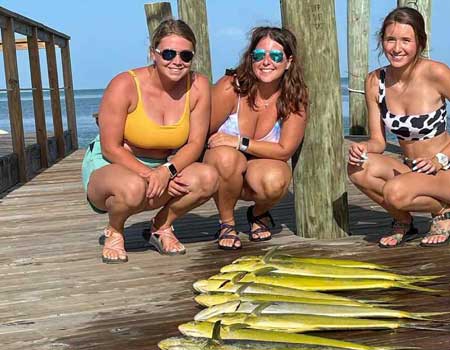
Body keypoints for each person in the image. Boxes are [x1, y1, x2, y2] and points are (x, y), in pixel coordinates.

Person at [81, 19, 218, 263]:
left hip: (164, 165)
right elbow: (111, 147)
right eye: (168, 53)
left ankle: (161, 225)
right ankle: (115, 229)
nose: (177, 61)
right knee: (133, 188)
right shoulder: (124, 84)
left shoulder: (199, 86)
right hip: (112, 163)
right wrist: (150, 174)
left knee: (207, 178)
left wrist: (167, 171)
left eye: (185, 55)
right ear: (152, 53)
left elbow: (195, 144)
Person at [348, 7, 450, 248]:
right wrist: (362, 147)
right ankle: (403, 220)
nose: (396, 48)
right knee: (358, 168)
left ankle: (442, 213)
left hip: (444, 170)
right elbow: (378, 142)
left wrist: (440, 159)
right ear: (381, 41)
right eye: (390, 39)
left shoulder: (436, 72)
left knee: (395, 192)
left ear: (420, 42)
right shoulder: (375, 81)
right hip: (411, 170)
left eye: (406, 40)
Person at [204, 26, 308, 250]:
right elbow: (201, 134)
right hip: (222, 166)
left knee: (275, 181)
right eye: (259, 55)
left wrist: (239, 141)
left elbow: (284, 150)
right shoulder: (230, 88)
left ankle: (258, 213)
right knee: (228, 159)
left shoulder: (293, 98)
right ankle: (227, 222)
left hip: (260, 164)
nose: (266, 62)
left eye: (276, 56)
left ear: (288, 61)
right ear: (250, 58)